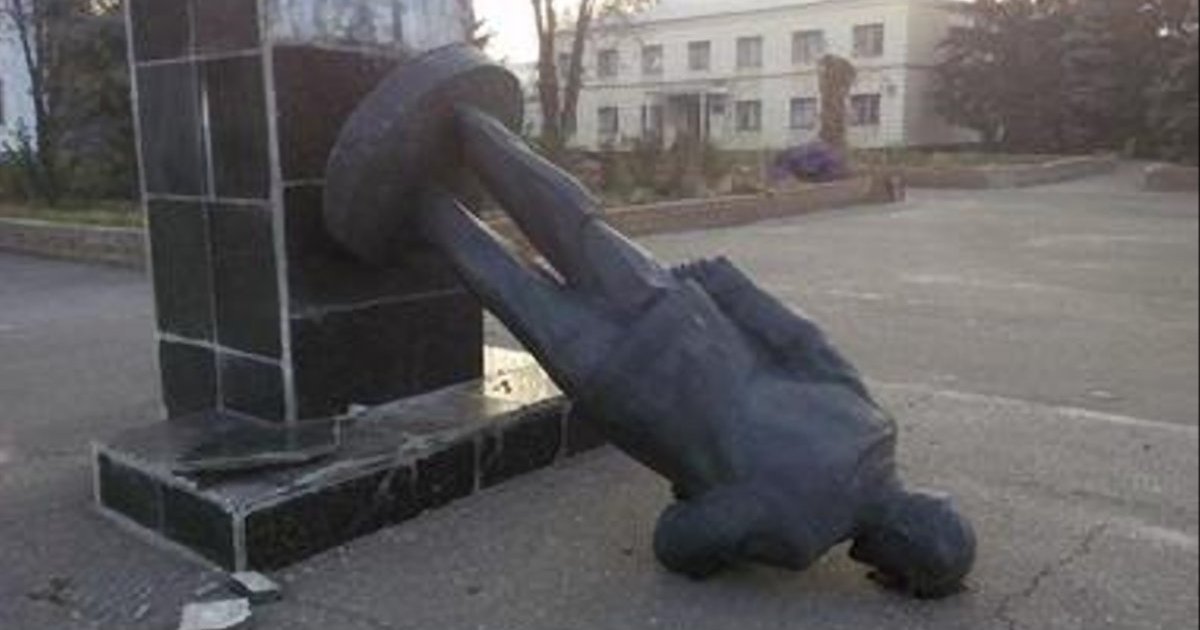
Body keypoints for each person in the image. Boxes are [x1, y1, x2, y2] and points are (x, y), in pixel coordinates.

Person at [413, 106, 976, 600]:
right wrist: (699, 491)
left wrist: (725, 282)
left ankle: (467, 119)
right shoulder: (797, 533)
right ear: (896, 552)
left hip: (685, 315)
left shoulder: (872, 422)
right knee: (509, 282)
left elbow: (801, 340)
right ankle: (414, 197)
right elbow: (678, 543)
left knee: (573, 222)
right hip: (626, 380)